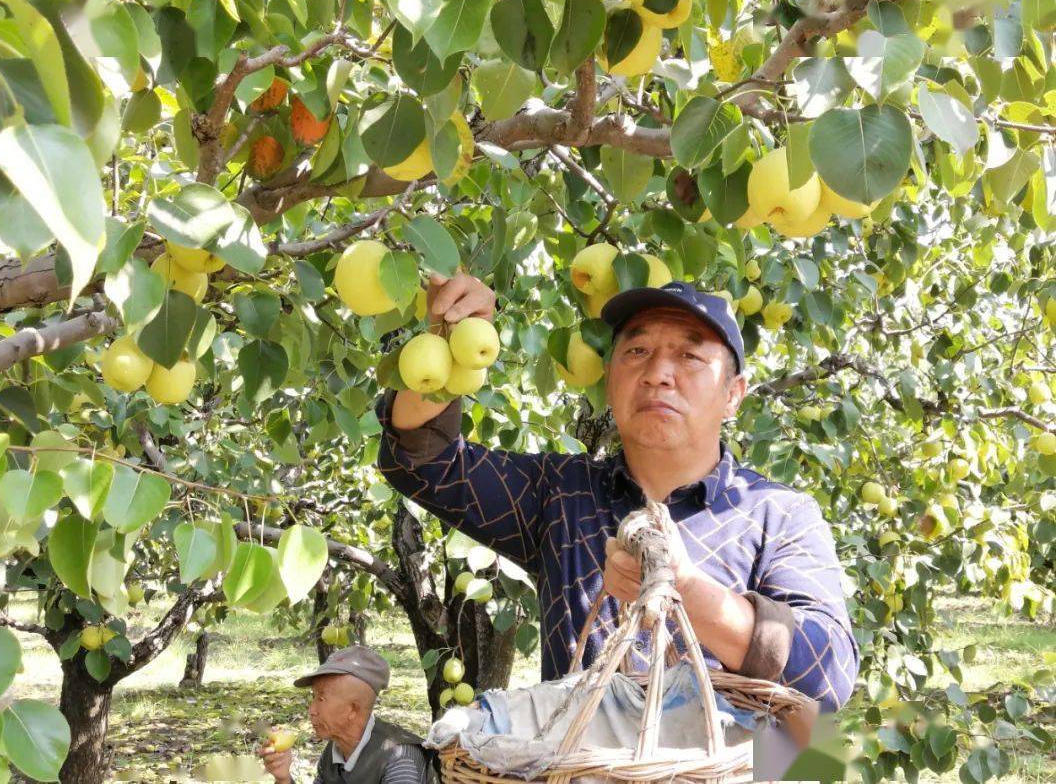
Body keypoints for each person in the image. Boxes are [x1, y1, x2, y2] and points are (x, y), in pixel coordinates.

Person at [376, 273, 859, 720]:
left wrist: (683, 587)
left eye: (689, 356)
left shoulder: (778, 513)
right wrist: (446, 343)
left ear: (733, 394)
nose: (657, 373)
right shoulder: (562, 493)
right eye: (636, 352)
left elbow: (828, 674)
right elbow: (422, 462)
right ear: (609, 382)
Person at [260, 646, 435, 784]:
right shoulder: (334, 751)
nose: (311, 709)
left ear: (353, 710)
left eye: (321, 698)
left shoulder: (399, 758)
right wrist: (283, 778)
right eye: (313, 697)